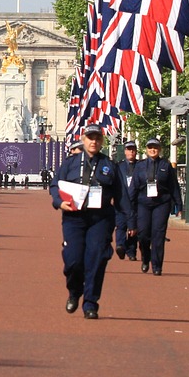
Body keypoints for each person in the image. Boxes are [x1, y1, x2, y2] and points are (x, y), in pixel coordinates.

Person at [48, 124, 122, 319]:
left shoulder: (110, 166)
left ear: (102, 141)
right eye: (90, 137)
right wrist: (58, 202)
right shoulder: (70, 163)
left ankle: (90, 303)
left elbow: (121, 198)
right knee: (73, 261)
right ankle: (74, 291)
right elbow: (55, 185)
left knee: (96, 260)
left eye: (97, 138)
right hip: (74, 218)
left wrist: (129, 224)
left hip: (101, 218)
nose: (94, 141)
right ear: (83, 139)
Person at [129, 138, 182, 275]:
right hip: (143, 203)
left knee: (158, 235)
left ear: (159, 149)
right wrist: (129, 204)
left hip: (161, 203)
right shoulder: (140, 166)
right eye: (150, 147)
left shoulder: (165, 165)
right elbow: (134, 186)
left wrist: (178, 204)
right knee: (143, 235)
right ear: (146, 150)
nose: (153, 150)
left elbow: (173, 186)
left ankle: (157, 266)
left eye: (155, 147)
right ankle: (146, 258)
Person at [114, 142, 139, 261]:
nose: (131, 152)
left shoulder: (140, 165)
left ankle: (131, 251)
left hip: (136, 202)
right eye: (129, 150)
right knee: (120, 225)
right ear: (125, 151)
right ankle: (120, 246)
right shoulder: (119, 166)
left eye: (133, 150)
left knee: (133, 228)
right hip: (121, 201)